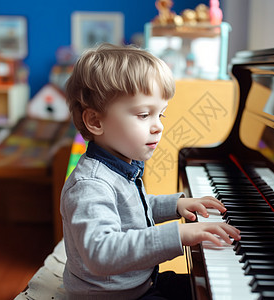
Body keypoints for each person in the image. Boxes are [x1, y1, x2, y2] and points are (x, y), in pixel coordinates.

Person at [61, 43, 241, 300]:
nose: (158, 127)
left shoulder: (122, 165)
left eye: (161, 115)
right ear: (96, 121)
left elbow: (133, 212)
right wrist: (177, 234)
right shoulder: (90, 185)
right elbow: (101, 253)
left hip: (139, 283)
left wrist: (177, 205)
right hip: (114, 296)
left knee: (210, 290)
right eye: (144, 115)